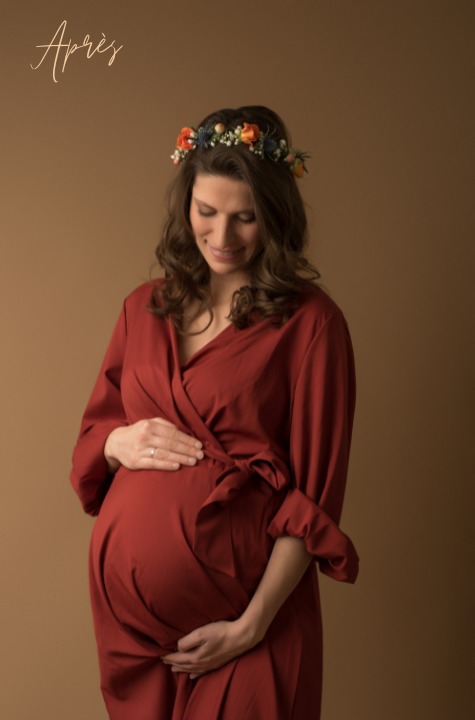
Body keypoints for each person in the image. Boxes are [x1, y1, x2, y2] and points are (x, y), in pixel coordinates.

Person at [70, 105, 359, 720]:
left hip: (251, 627)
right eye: (207, 212)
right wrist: (117, 443)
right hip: (136, 641)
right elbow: (98, 434)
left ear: (275, 217)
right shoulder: (143, 308)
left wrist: (249, 627)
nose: (222, 237)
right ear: (186, 206)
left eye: (245, 217)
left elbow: (314, 499)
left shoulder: (312, 326)